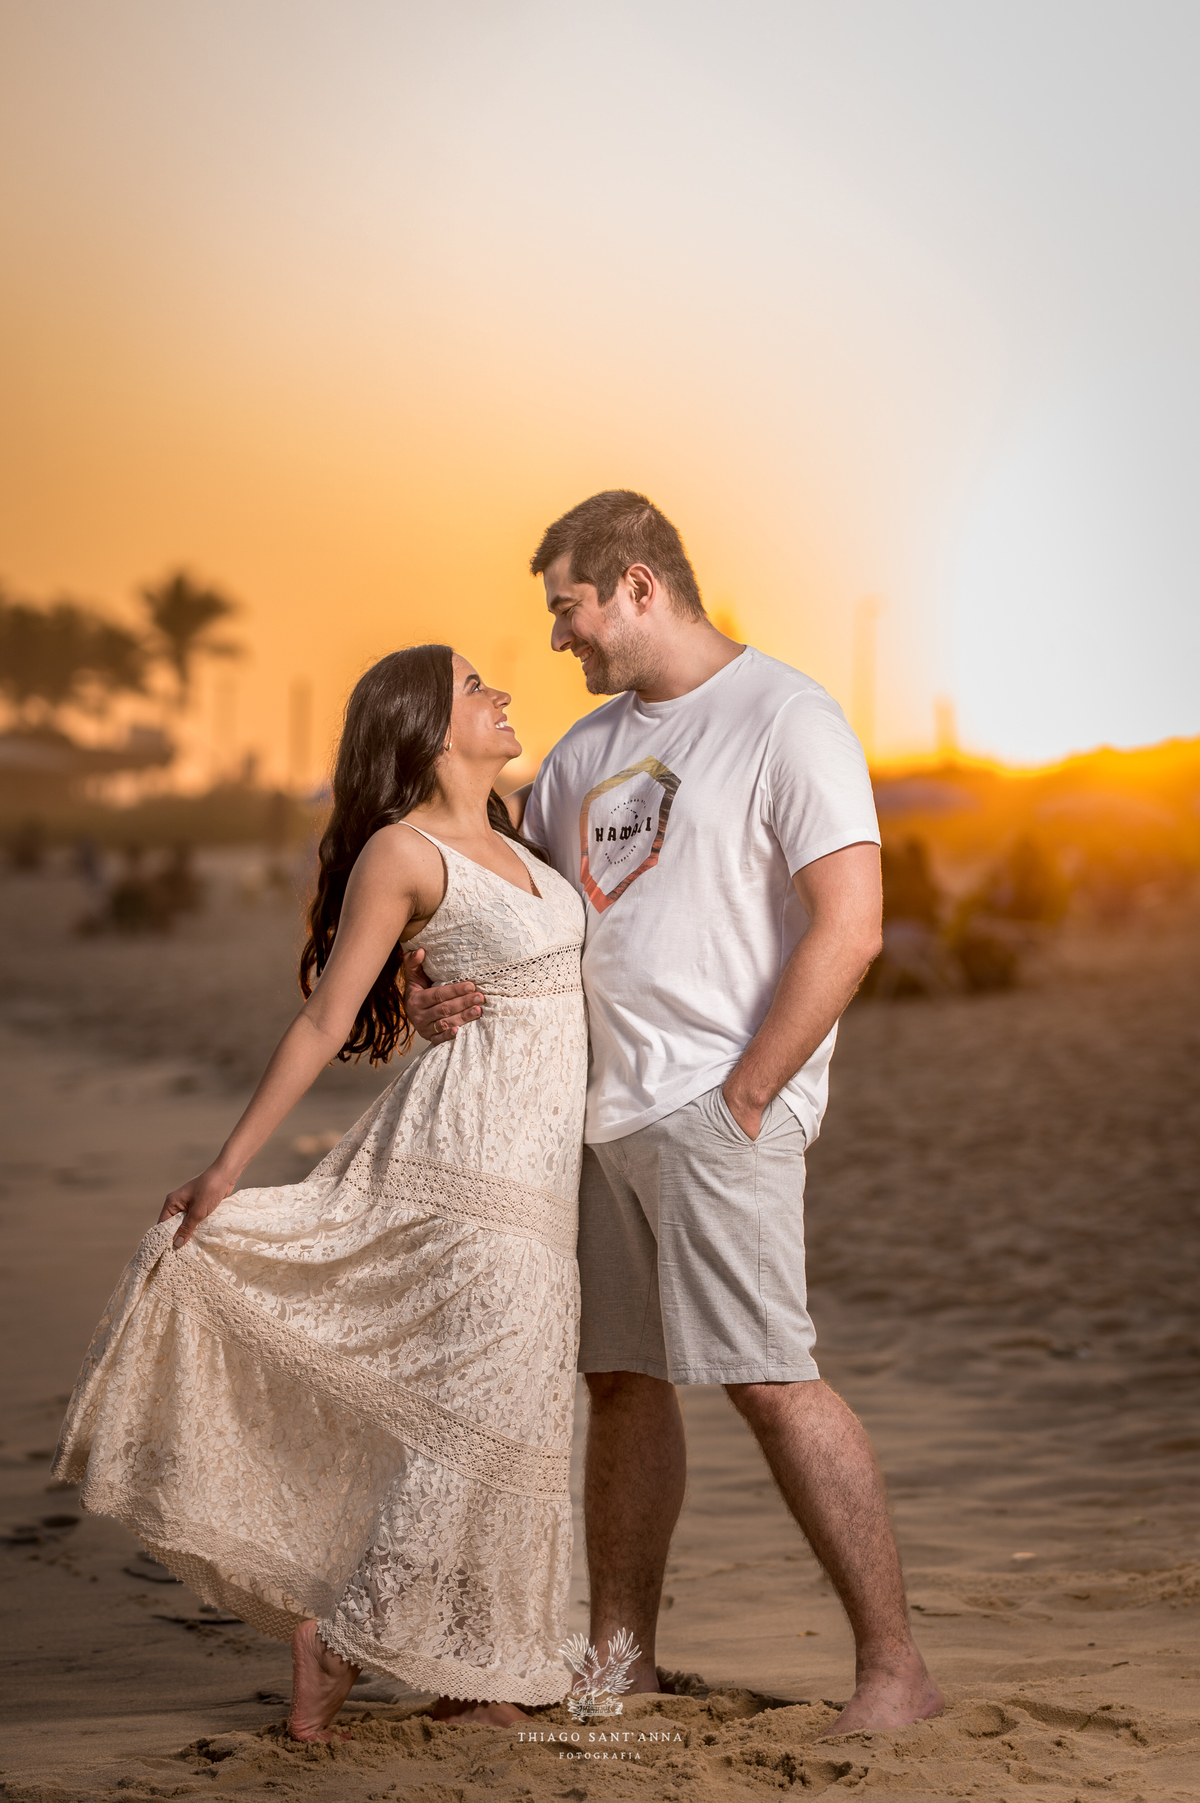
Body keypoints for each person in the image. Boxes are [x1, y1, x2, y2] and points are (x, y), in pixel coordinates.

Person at [404, 491, 943, 1732]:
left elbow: (851, 926)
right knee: (622, 1382)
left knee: (769, 1379)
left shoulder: (787, 718)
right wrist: (429, 989)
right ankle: (620, 1658)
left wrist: (749, 1095)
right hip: (594, 1121)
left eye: (569, 607)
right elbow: (512, 907)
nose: (558, 639)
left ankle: (895, 1671)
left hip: (718, 1111)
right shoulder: (587, 753)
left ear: (638, 584)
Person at [52, 645, 588, 1738]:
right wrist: (228, 1166)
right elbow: (325, 1017)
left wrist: (428, 992)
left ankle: (473, 1671)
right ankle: (337, 1637)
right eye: (475, 686)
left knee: (518, 1409)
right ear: (428, 730)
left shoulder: (524, 829)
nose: (501, 695)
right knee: (477, 1413)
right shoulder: (401, 850)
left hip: (544, 1175)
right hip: (469, 1162)